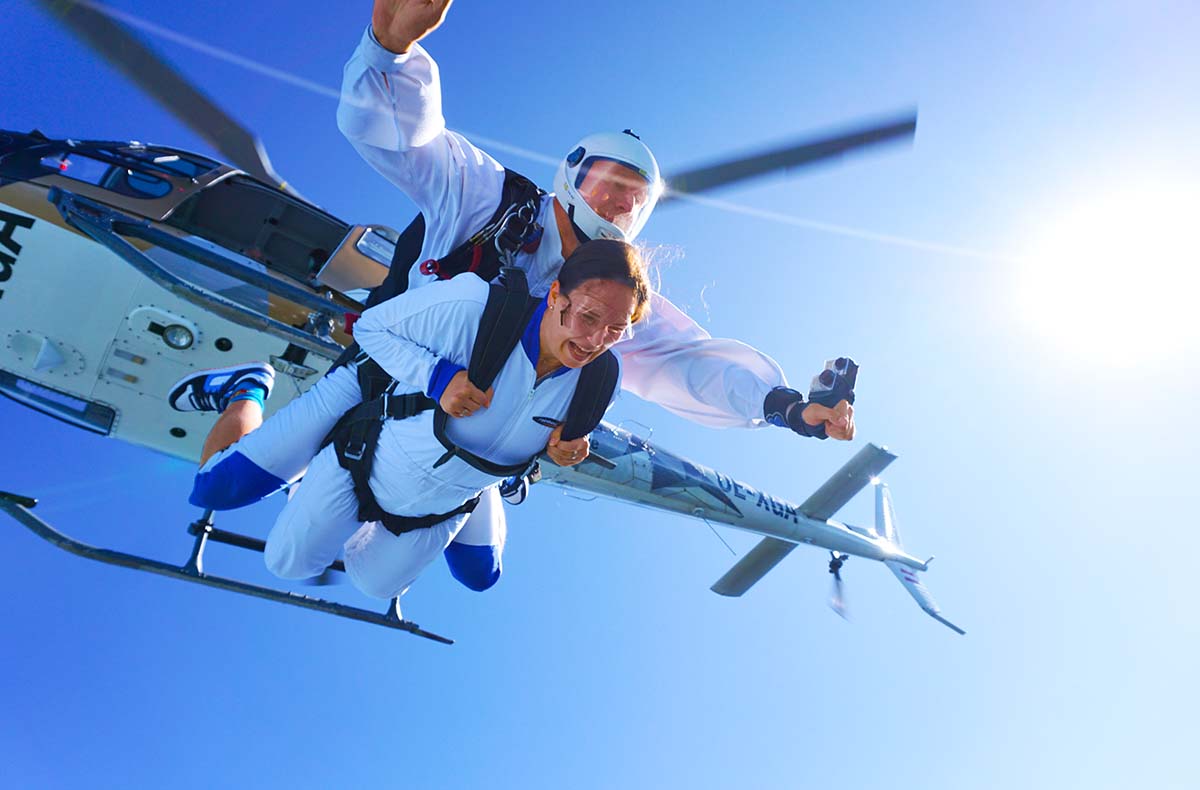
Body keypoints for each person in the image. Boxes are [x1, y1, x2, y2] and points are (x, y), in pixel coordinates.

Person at [170, 0, 854, 591]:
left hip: (483, 432)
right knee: (221, 489)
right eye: (607, 184)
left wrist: (787, 407)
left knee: (478, 574)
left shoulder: (613, 293)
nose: (615, 204)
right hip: (385, 377)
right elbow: (408, 143)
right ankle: (247, 391)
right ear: (571, 175)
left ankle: (415, 503)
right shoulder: (487, 197)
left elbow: (686, 361)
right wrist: (389, 54)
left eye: (632, 200)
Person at [256, 239, 648, 598]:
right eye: (589, 317)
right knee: (287, 563)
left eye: (616, 330)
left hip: (441, 509)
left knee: (376, 586)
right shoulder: (474, 306)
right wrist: (437, 377)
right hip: (360, 465)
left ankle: (480, 493)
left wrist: (565, 448)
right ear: (555, 294)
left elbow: (540, 427)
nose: (596, 341)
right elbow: (372, 327)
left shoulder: (601, 382)